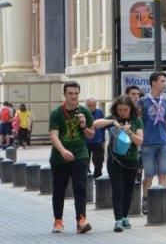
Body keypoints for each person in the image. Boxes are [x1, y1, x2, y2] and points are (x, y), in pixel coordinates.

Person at [48, 81, 95, 233]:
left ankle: (81, 220)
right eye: (70, 93)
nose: (73, 97)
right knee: (59, 189)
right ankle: (58, 220)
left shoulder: (84, 112)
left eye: (76, 93)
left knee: (80, 187)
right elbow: (53, 136)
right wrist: (62, 151)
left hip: (80, 154)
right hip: (59, 157)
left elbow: (91, 134)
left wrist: (83, 126)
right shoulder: (57, 113)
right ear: (65, 94)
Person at [91, 96, 143, 232]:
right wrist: (113, 121)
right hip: (115, 161)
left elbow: (139, 141)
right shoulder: (113, 118)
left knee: (128, 191)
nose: (123, 112)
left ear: (131, 109)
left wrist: (129, 132)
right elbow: (95, 124)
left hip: (131, 161)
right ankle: (118, 220)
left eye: (126, 110)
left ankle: (125, 217)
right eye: (120, 110)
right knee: (118, 190)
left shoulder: (136, 121)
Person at [139, 71, 166, 214]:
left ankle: (162, 201)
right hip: (147, 143)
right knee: (149, 174)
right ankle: (146, 199)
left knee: (163, 173)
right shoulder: (142, 102)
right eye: (162, 81)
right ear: (154, 82)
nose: (165, 83)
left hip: (163, 142)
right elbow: (138, 122)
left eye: (165, 81)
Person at [85, 98, 107, 178]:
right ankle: (87, 176)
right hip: (85, 142)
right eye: (89, 105)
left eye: (93, 105)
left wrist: (103, 140)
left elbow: (103, 128)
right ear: (86, 105)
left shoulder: (99, 112)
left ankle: (97, 177)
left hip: (97, 141)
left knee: (98, 161)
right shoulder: (82, 113)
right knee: (85, 162)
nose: (91, 107)